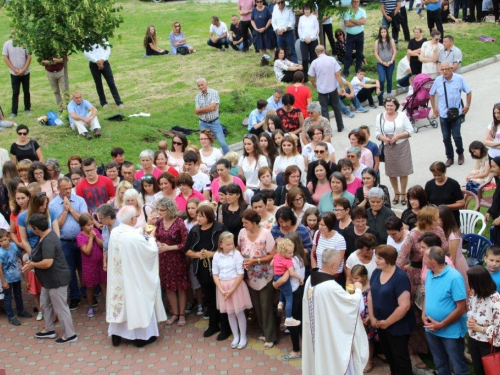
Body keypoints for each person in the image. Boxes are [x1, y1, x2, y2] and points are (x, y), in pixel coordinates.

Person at [106, 206, 167, 347]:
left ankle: (116, 335)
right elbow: (150, 250)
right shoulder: (133, 236)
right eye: (136, 217)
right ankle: (141, 337)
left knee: (120, 305)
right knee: (137, 303)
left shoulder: (115, 231)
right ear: (132, 219)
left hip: (119, 278)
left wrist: (148, 225)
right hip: (133, 278)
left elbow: (136, 234)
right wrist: (152, 237)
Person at [302, 248, 369, 375]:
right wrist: (358, 289)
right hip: (327, 336)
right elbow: (351, 305)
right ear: (333, 264)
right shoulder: (330, 287)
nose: (340, 266)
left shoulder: (310, 279)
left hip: (317, 332)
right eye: (339, 263)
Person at [22, 214, 77, 344]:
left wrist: (32, 265)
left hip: (56, 279)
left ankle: (70, 335)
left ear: (36, 228)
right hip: (48, 280)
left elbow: (48, 262)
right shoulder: (44, 236)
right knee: (45, 304)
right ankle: (49, 329)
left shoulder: (48, 241)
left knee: (60, 308)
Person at [368, 245, 415, 374]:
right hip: (381, 324)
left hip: (398, 326)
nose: (376, 261)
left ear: (389, 259)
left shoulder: (400, 277)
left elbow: (404, 306)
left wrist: (387, 322)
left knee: (400, 358)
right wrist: (372, 316)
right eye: (376, 257)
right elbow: (371, 294)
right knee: (389, 356)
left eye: (379, 258)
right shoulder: (376, 272)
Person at [185, 205, 230, 339]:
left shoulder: (220, 228)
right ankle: (213, 325)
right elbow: (187, 250)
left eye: (201, 216)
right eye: (197, 215)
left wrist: (213, 254)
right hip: (202, 269)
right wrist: (198, 255)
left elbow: (229, 247)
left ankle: (226, 327)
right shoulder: (194, 230)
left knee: (222, 298)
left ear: (209, 216)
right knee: (209, 298)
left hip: (221, 270)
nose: (197, 218)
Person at [422, 246, 468, 375]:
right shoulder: (430, 274)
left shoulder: (454, 278)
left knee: (459, 368)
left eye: (425, 258)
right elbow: (427, 296)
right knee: (440, 364)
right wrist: (423, 314)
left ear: (433, 262)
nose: (423, 260)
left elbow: (461, 308)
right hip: (430, 328)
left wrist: (441, 324)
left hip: (450, 332)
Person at [50, 177, 88, 311]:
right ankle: (75, 296)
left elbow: (84, 221)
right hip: (65, 242)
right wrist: (65, 211)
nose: (67, 191)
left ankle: (87, 292)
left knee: (84, 268)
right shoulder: (53, 205)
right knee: (70, 270)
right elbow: (57, 225)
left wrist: (71, 209)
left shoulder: (79, 200)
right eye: (64, 188)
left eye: (69, 188)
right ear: (58, 189)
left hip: (81, 240)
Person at [212, 231, 252, 349]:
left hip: (236, 286)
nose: (231, 246)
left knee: (239, 312)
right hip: (223, 287)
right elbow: (215, 274)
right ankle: (235, 336)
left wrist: (232, 290)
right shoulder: (216, 256)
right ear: (221, 245)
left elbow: (240, 273)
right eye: (228, 244)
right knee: (230, 313)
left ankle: (243, 336)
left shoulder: (236, 254)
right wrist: (221, 289)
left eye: (232, 244)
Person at [154, 197, 189, 327]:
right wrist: (158, 243)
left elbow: (185, 243)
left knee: (180, 287)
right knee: (168, 287)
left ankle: (182, 314)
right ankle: (174, 313)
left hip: (177, 258)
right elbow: (154, 236)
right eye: (158, 209)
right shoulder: (158, 222)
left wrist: (169, 247)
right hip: (163, 259)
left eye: (162, 210)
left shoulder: (179, 222)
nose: (159, 212)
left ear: (169, 210)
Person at [430, 61, 472, 166]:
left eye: (446, 69)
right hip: (444, 114)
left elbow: (468, 92)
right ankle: (450, 157)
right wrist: (434, 108)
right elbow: (431, 94)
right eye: (442, 69)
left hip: (456, 113)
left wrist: (467, 106)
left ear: (451, 69)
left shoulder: (459, 79)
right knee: (446, 137)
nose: (444, 72)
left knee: (456, 136)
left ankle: (460, 153)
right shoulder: (438, 81)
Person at [375, 97, 414, 206]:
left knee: (403, 170)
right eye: (387, 105)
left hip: (401, 145)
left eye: (391, 105)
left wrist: (397, 136)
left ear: (396, 106)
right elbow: (377, 133)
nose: (389, 107)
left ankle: (403, 193)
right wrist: (384, 138)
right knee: (391, 172)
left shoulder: (402, 115)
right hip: (388, 146)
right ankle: (396, 193)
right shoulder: (380, 117)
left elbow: (410, 130)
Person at [466, 265, 500, 375]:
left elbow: (498, 330)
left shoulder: (495, 301)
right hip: (473, 339)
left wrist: (479, 328)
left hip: (487, 344)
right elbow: (472, 311)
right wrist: (470, 321)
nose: (468, 283)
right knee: (478, 370)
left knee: (490, 371)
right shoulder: (475, 295)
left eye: (470, 280)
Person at [308, 45, 345, 130]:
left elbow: (312, 77)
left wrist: (314, 84)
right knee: (336, 106)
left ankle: (327, 128)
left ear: (316, 52)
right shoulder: (332, 59)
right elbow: (337, 74)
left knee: (324, 108)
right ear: (324, 51)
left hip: (321, 88)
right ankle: (340, 126)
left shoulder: (314, 62)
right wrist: (342, 86)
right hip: (332, 86)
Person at [0, 228, 32, 326]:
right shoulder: (0, 252)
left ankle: (20, 310)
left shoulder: (14, 246)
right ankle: (11, 316)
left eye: (5, 239)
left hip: (17, 276)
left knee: (18, 294)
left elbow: (20, 257)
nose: (3, 243)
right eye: (0, 241)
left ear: (9, 237)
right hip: (7, 279)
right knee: (8, 297)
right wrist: (3, 282)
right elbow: (0, 269)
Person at [76, 213, 106, 318]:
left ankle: (109, 306)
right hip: (89, 266)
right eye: (88, 225)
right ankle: (90, 306)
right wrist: (90, 239)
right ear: (82, 226)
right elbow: (87, 251)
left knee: (104, 284)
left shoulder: (96, 231)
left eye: (92, 224)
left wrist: (96, 237)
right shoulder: (80, 237)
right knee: (90, 287)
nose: (91, 227)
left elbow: (102, 245)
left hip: (100, 263)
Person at [194, 78, 229, 155]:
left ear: (207, 84)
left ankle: (230, 159)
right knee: (207, 144)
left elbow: (212, 107)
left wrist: (202, 110)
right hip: (203, 123)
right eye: (198, 85)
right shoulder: (197, 97)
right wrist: (209, 108)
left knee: (222, 142)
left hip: (214, 122)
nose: (200, 87)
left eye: (202, 84)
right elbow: (196, 111)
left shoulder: (214, 93)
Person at [272, 238, 302, 326]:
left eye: (292, 252)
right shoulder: (288, 261)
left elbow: (271, 264)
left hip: (276, 277)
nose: (292, 254)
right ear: (283, 252)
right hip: (283, 279)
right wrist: (300, 278)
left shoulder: (277, 255)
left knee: (282, 291)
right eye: (289, 253)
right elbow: (292, 273)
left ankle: (280, 303)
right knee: (289, 297)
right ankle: (288, 318)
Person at [83, 41, 123, 108]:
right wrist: (96, 61)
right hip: (94, 64)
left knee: (111, 82)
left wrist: (102, 60)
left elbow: (108, 49)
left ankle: (118, 101)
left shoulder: (103, 38)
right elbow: (86, 52)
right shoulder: (87, 40)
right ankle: (103, 102)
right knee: (98, 83)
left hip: (104, 62)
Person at [2, 29, 31, 119]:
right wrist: (14, 69)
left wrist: (24, 69)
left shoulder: (25, 43)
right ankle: (14, 112)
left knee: (26, 91)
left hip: (25, 72)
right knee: (15, 92)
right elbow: (5, 58)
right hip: (14, 73)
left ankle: (27, 108)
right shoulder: (7, 44)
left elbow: (29, 57)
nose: (15, 35)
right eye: (13, 34)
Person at [76, 157, 115, 222]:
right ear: (83, 170)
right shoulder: (80, 186)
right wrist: (94, 222)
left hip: (108, 216)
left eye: (91, 170)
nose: (89, 173)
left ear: (96, 168)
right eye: (87, 171)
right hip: (90, 220)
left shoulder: (107, 181)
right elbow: (82, 208)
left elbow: (113, 199)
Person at [425, 161, 464, 226]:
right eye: (434, 175)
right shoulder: (429, 184)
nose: (437, 177)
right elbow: (425, 202)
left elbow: (461, 203)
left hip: (451, 219)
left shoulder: (453, 184)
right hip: (434, 220)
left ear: (444, 172)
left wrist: (443, 207)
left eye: (439, 175)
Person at [342, 0, 367, 78]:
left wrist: (352, 20)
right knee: (348, 54)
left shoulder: (363, 11)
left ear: (359, 2)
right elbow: (346, 24)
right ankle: (346, 71)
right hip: (350, 35)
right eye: (354, 2)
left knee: (359, 53)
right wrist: (358, 22)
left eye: (357, 2)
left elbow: (363, 22)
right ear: (352, 3)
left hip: (360, 34)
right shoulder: (347, 11)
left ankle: (358, 70)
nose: (356, 3)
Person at [374, 27, 397, 102]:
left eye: (384, 32)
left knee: (389, 78)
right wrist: (382, 62)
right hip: (381, 63)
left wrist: (391, 61)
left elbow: (394, 51)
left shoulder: (391, 40)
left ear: (387, 32)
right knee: (382, 79)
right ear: (380, 33)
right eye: (382, 32)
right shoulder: (377, 41)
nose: (383, 33)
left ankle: (389, 94)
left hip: (390, 62)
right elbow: (376, 53)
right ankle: (381, 95)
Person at [298, 4, 319, 77]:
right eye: (305, 9)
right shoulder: (301, 18)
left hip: (313, 40)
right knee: (304, 58)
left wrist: (311, 38)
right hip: (303, 41)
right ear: (303, 10)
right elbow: (299, 30)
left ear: (310, 10)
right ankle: (304, 74)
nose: (307, 11)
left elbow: (316, 29)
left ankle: (314, 73)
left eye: (308, 9)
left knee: (314, 58)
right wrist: (304, 38)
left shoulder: (314, 18)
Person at [487, 157, 500, 245]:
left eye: (494, 167)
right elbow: (496, 201)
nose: (491, 169)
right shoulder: (498, 180)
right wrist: (489, 211)